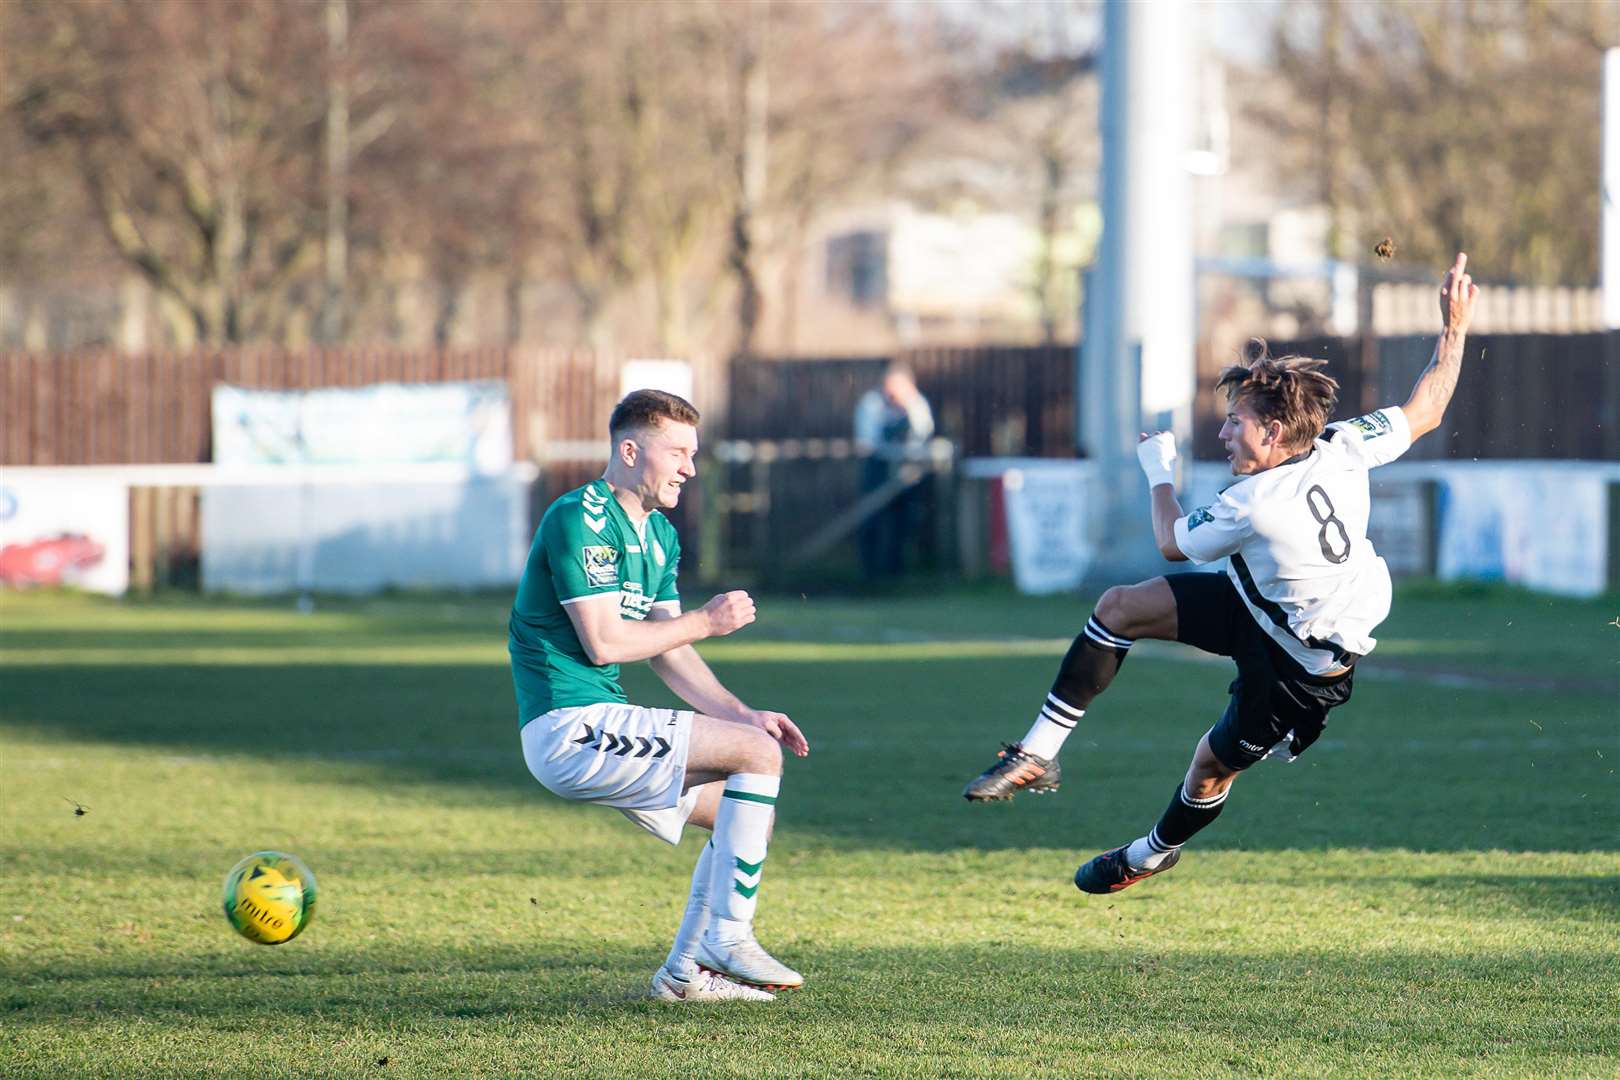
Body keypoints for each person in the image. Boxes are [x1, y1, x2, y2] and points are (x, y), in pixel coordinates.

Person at [961, 253, 1480, 894]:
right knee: (1120, 606)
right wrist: (1454, 327)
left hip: (1302, 668)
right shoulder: (1342, 444)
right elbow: (1426, 408)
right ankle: (1037, 753)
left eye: (1237, 421)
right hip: (1262, 606)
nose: (1225, 430)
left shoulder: (1252, 503)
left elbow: (1170, 542)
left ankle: (1151, 854)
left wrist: (1158, 470)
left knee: (1208, 768)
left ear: (1276, 431)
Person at [509, 388, 810, 1000]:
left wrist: (744, 714)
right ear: (628, 450)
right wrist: (708, 619)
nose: (689, 469)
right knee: (758, 757)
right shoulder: (580, 517)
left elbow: (668, 651)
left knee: (747, 807)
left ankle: (684, 977)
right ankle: (727, 936)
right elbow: (604, 643)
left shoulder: (660, 537)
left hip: (602, 721)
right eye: (676, 452)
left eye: (692, 454)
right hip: (569, 727)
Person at [853, 362, 935, 579]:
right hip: (878, 470)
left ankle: (897, 572)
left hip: (907, 472)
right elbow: (867, 442)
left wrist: (909, 406)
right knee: (872, 520)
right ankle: (870, 573)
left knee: (904, 521)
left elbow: (922, 435)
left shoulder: (917, 405)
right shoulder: (872, 404)